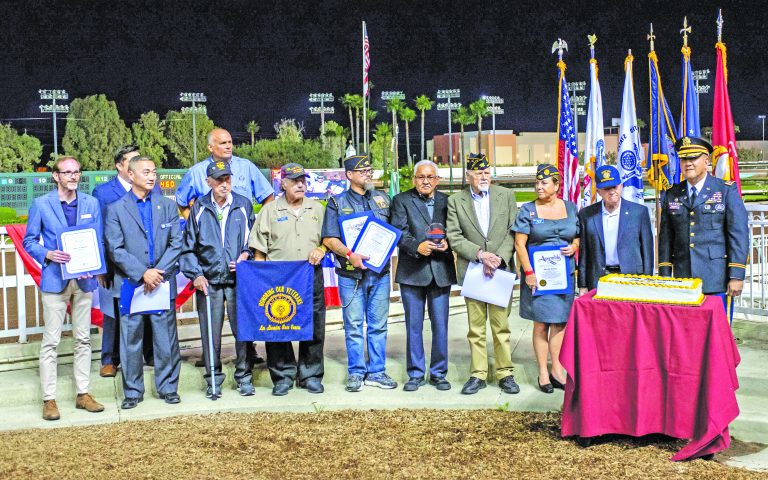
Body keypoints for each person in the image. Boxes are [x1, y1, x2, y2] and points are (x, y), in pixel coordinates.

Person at [23, 156, 105, 420]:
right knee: (51, 341)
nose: (73, 176)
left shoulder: (91, 203)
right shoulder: (41, 204)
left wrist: (96, 264)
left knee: (83, 338)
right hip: (55, 280)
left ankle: (83, 393)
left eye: (77, 172)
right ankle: (49, 399)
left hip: (84, 280)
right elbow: (29, 241)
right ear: (56, 176)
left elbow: (98, 240)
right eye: (67, 172)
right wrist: (48, 254)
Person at [105, 155, 183, 409]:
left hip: (161, 281)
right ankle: (132, 392)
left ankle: (168, 387)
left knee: (165, 339)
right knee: (130, 340)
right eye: (146, 172)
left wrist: (157, 272)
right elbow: (115, 249)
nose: (152, 176)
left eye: (154, 172)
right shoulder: (116, 209)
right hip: (130, 284)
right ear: (131, 175)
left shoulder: (167, 206)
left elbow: (176, 243)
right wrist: (142, 273)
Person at [321, 153, 398, 392]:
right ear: (349, 175)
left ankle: (377, 371)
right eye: (362, 171)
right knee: (353, 326)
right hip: (349, 275)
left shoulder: (383, 200)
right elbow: (329, 238)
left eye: (369, 171)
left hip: (380, 273)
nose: (368, 174)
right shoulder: (337, 203)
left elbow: (395, 231)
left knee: (378, 325)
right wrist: (349, 254)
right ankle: (356, 372)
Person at [249, 163, 327, 396]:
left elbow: (329, 239)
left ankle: (310, 374)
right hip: (277, 278)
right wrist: (260, 280)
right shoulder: (270, 211)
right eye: (294, 180)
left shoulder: (316, 208)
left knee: (314, 325)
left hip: (310, 275)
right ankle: (283, 375)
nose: (300, 184)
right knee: (277, 324)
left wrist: (321, 249)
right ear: (282, 184)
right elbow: (259, 250)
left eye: (302, 180)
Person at [180, 161, 256, 398]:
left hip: (237, 280)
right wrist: (197, 275)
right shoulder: (199, 207)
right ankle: (213, 378)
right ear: (208, 182)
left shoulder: (243, 205)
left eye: (228, 179)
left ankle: (244, 376)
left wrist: (246, 255)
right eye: (219, 180)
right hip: (209, 281)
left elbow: (253, 242)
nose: (225, 184)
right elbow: (188, 248)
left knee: (242, 330)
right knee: (209, 333)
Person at [446, 153, 519, 395]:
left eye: (487, 172)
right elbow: (454, 236)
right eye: (478, 173)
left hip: (500, 270)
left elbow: (512, 231)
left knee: (501, 326)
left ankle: (505, 373)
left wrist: (497, 258)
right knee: (475, 328)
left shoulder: (506, 196)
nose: (483, 176)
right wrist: (480, 255)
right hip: (473, 271)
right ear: (468, 176)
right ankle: (478, 374)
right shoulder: (456, 201)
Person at [658, 136, 749, 312]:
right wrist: (665, 275)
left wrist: (736, 275)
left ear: (706, 160)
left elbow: (738, 235)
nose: (688, 163)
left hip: (716, 279)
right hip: (683, 281)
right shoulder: (672, 194)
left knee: (717, 335)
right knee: (685, 335)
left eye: (693, 158)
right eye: (684, 158)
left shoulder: (725, 190)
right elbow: (666, 238)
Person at [91, 145, 159, 377]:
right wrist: (100, 266)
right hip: (115, 264)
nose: (138, 165)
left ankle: (150, 354)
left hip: (147, 263)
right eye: (132, 161)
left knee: (149, 307)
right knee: (113, 313)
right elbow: (98, 232)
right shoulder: (103, 193)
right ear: (120, 166)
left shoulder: (153, 187)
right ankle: (110, 359)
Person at [512, 164, 580, 394]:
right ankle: (543, 371)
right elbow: (519, 244)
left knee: (560, 322)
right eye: (537, 183)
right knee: (541, 323)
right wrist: (528, 273)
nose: (539, 187)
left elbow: (577, 235)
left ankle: (557, 369)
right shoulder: (528, 211)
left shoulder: (570, 208)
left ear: (557, 186)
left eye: (544, 183)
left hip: (563, 276)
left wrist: (575, 246)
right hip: (538, 277)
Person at [390, 160, 456, 392]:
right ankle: (416, 373)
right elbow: (398, 231)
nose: (425, 181)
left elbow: (455, 231)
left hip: (440, 271)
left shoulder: (449, 202)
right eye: (421, 177)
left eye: (430, 177)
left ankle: (439, 373)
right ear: (414, 179)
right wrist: (416, 246)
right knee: (413, 327)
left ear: (437, 180)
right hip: (412, 272)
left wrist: (448, 244)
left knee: (441, 326)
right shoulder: (400, 200)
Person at [577, 165, 654, 292]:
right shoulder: (587, 215)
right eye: (607, 188)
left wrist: (648, 281)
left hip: (632, 279)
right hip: (598, 279)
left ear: (621, 186)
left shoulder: (639, 212)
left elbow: (647, 251)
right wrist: (583, 285)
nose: (612, 191)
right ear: (598, 191)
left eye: (615, 186)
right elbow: (584, 254)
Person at [175, 128, 274, 220]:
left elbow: (268, 196)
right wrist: (195, 226)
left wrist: (258, 225)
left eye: (230, 142)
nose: (228, 146)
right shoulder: (196, 172)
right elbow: (181, 202)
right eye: (223, 143)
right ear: (210, 147)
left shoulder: (246, 166)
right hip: (210, 235)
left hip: (242, 233)